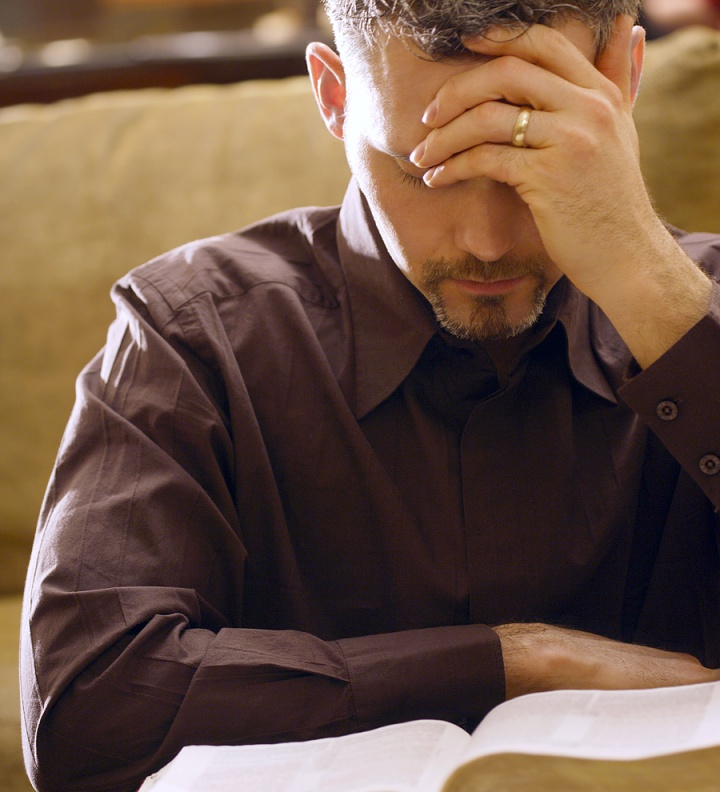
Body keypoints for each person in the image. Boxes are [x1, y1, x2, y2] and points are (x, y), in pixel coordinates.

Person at [20, 1, 720, 790]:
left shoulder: (702, 301)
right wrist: (517, 661)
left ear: (624, 79)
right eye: (425, 171)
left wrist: (654, 292)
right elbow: (83, 711)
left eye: (532, 162)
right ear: (333, 94)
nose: (486, 243)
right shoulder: (193, 331)